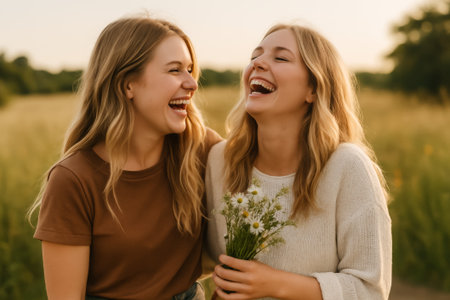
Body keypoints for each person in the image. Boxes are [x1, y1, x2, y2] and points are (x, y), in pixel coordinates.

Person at [27, 15, 221, 300]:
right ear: (128, 85)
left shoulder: (201, 149)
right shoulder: (73, 180)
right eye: (174, 70)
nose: (192, 83)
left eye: (190, 69)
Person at [205, 24, 392, 300]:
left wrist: (274, 284)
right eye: (255, 56)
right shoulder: (220, 160)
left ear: (314, 89)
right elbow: (193, 262)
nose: (258, 63)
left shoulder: (348, 167)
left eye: (280, 58)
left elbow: (369, 290)